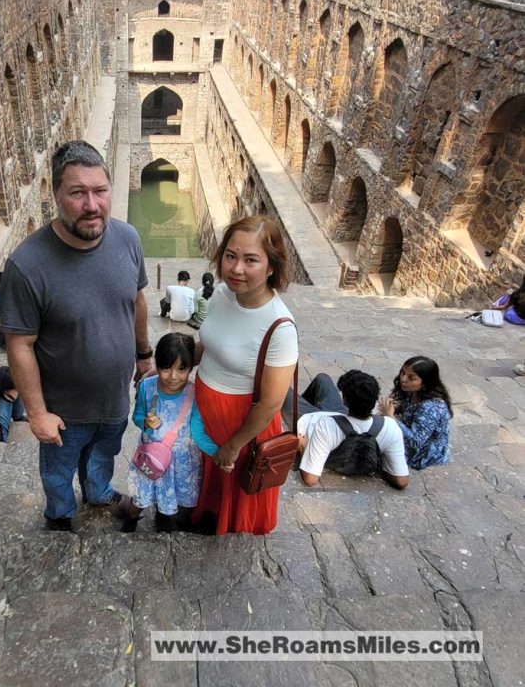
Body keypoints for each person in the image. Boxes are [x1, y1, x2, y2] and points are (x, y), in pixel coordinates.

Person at [0, 140, 152, 532]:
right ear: (56, 195)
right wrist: (36, 413)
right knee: (58, 471)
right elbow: (20, 344)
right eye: (77, 193)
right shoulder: (28, 264)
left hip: (114, 399)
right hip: (63, 413)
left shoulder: (127, 239)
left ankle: (98, 493)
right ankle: (61, 515)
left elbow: (135, 301)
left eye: (100, 191)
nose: (92, 205)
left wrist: (143, 355)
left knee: (103, 455)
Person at [191, 215, 298, 535]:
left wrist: (235, 445)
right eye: (230, 256)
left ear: (271, 267)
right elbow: (210, 342)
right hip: (205, 410)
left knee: (234, 484)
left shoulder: (279, 326)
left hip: (240, 423)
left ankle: (233, 532)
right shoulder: (223, 294)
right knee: (209, 479)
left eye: (250, 260)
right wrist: (177, 368)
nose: (236, 268)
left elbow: (270, 404)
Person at [122, 333, 217, 533]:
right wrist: (146, 424)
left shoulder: (194, 393)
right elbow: (137, 416)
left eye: (181, 369)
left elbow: (197, 432)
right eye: (166, 368)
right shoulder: (147, 387)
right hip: (152, 459)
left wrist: (219, 453)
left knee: (176, 501)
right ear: (157, 364)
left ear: (191, 368)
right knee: (141, 497)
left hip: (182, 463)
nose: (173, 376)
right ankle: (131, 519)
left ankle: (168, 522)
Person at [287, 371, 409, 489]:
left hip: (312, 420)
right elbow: (401, 481)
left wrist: (303, 449)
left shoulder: (326, 425)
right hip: (345, 416)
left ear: (345, 400)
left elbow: (310, 479)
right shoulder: (390, 426)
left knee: (283, 392)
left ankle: (300, 404)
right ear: (374, 401)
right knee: (322, 379)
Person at [379, 356, 453, 469]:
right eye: (403, 372)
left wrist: (390, 416)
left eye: (411, 377)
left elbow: (415, 442)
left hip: (425, 452)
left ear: (425, 383)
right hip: (411, 432)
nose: (403, 379)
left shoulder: (431, 407)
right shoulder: (412, 391)